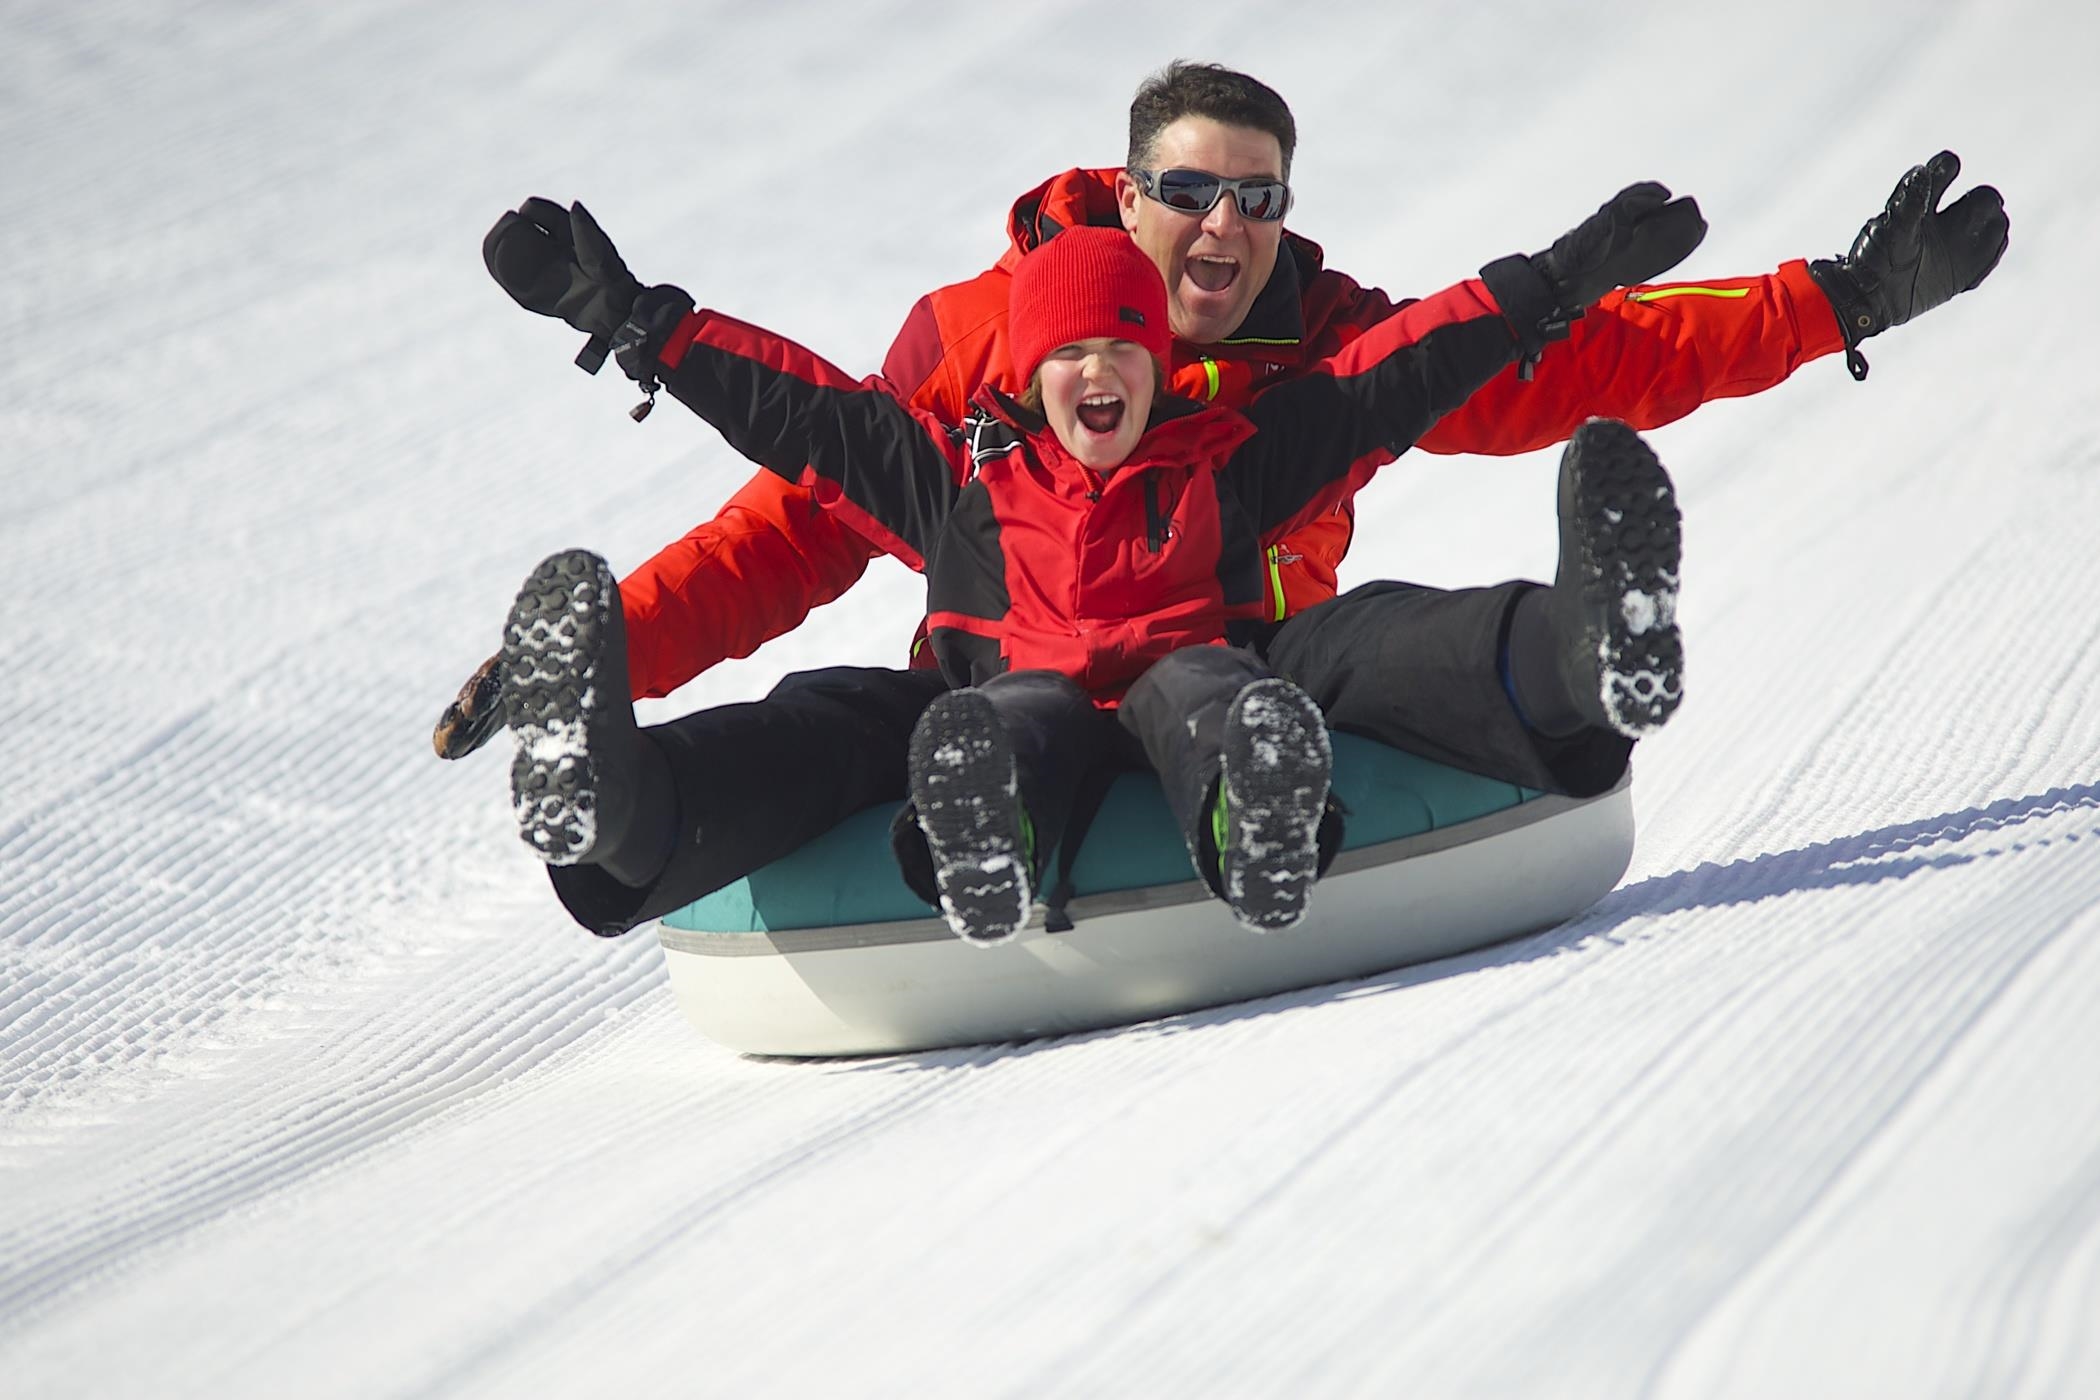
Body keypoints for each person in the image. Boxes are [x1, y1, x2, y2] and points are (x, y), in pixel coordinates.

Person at [436, 63, 2006, 759]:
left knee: (1411, 635)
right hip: (1008, 711)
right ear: (1128, 196)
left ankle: (1581, 656)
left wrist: (1841, 302)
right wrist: (603, 654)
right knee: (822, 734)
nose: (1223, 225)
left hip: (1254, 696)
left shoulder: (1317, 338)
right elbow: (801, 519)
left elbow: (1569, 365)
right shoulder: (981, 339)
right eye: (1188, 190)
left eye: (1256, 197)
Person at [498, 180, 1706, 942]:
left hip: (1197, 679)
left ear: (1155, 365)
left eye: (1122, 348)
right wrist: (634, 321)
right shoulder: (958, 479)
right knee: (859, 714)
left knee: (1317, 654)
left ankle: (1581, 647)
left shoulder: (1229, 456)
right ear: (1025, 374)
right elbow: (799, 410)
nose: (1097, 371)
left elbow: (1397, 373)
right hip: (1006, 699)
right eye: (1067, 352)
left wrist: (1550, 286)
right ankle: (618, 799)